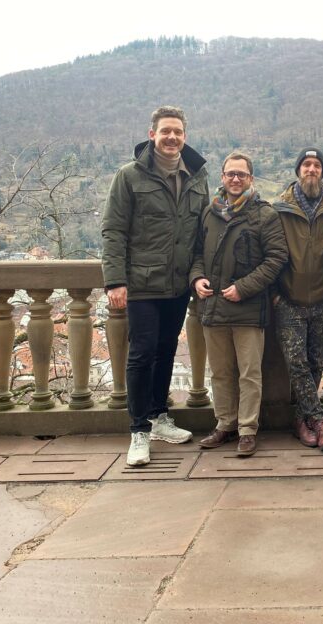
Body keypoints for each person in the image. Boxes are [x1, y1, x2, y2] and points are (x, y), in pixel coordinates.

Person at [102, 106, 209, 467]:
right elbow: (113, 231)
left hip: (178, 285)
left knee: (165, 352)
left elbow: (201, 237)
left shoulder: (197, 178)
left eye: (177, 132)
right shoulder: (129, 176)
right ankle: (138, 431)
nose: (172, 137)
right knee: (141, 353)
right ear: (152, 135)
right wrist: (115, 280)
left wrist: (195, 274)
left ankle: (159, 416)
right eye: (165, 131)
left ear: (184, 136)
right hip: (142, 284)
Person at [190, 152, 287, 456]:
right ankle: (224, 424)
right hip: (212, 307)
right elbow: (195, 255)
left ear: (250, 179)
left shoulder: (264, 214)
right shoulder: (209, 213)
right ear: (222, 177)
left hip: (247, 308)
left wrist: (244, 288)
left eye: (241, 175)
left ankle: (247, 429)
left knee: (249, 373)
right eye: (230, 174)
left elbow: (276, 259)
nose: (235, 179)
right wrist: (197, 278)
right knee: (220, 371)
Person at [272, 147, 323, 451]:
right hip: (288, 300)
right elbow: (270, 255)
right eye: (306, 164)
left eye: (317, 165)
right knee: (297, 363)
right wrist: (275, 296)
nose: (311, 169)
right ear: (298, 170)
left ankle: (302, 422)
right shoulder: (279, 208)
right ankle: (319, 420)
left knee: (315, 362)